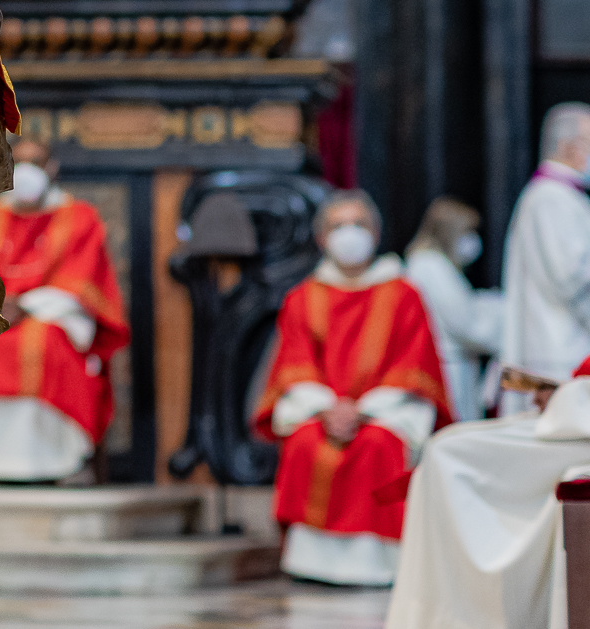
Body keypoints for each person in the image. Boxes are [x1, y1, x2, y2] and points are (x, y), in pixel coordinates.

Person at [253, 191, 449, 586]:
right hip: (320, 411)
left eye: (358, 224)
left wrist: (363, 411)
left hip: (385, 412)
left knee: (377, 445)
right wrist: (326, 409)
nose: (350, 234)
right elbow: (294, 363)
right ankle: (310, 562)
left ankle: (379, 563)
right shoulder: (303, 298)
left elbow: (413, 364)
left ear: (375, 234)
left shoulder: (403, 295)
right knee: (306, 442)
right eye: (338, 226)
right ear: (321, 238)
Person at [0, 138, 127, 482]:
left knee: (44, 343)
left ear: (52, 168)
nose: (26, 172)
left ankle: (57, 462)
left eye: (36, 162)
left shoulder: (79, 218)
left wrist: (27, 305)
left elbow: (81, 281)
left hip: (52, 315)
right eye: (18, 163)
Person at [385, 356, 590, 628]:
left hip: (580, 434)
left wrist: (567, 398)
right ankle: (444, 609)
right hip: (573, 418)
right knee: (446, 445)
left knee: (448, 452)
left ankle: (459, 613)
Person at [501, 103, 590, 413]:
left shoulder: (559, 196)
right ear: (570, 146)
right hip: (558, 350)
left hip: (561, 345)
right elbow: (570, 278)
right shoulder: (551, 199)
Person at [403, 196, 502, 422]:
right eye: (467, 232)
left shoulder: (434, 264)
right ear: (450, 231)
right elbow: (465, 325)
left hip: (454, 365)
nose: (472, 240)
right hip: (449, 370)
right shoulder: (430, 265)